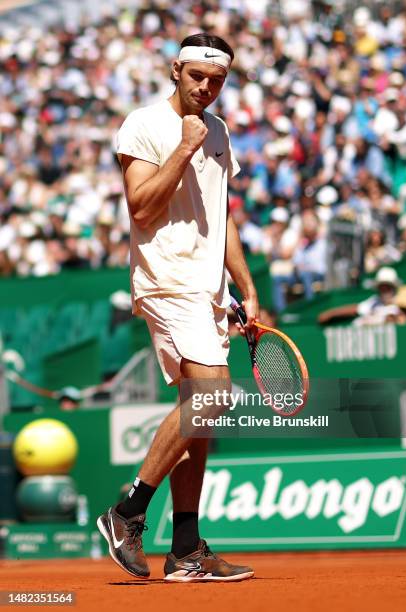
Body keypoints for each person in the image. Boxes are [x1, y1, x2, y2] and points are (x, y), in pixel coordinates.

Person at [97, 33, 258, 583]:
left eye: (217, 80)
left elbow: (221, 214)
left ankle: (186, 551)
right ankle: (127, 513)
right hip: (167, 281)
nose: (207, 88)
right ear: (175, 70)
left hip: (208, 288)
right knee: (212, 395)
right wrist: (184, 147)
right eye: (197, 77)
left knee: (200, 419)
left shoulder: (219, 131)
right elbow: (141, 208)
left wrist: (244, 285)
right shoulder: (143, 124)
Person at [318, 266, 406, 325]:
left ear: (393, 288)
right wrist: (330, 314)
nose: (384, 290)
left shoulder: (400, 304)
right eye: (382, 287)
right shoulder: (375, 301)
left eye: (387, 287)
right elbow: (356, 309)